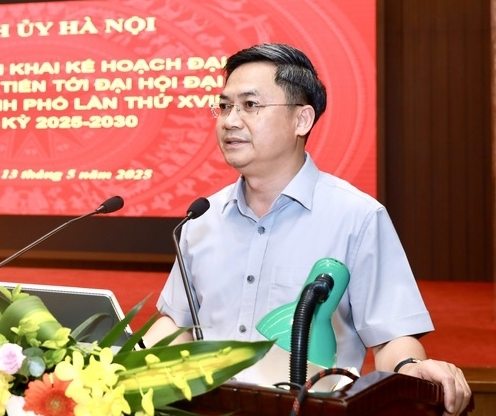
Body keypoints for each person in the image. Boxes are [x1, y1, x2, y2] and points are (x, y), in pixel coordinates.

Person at [142, 43, 471, 415]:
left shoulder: (357, 216)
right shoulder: (202, 218)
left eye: (250, 105)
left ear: (301, 120)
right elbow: (179, 324)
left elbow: (391, 338)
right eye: (225, 105)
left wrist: (412, 368)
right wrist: (120, 364)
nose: (230, 120)